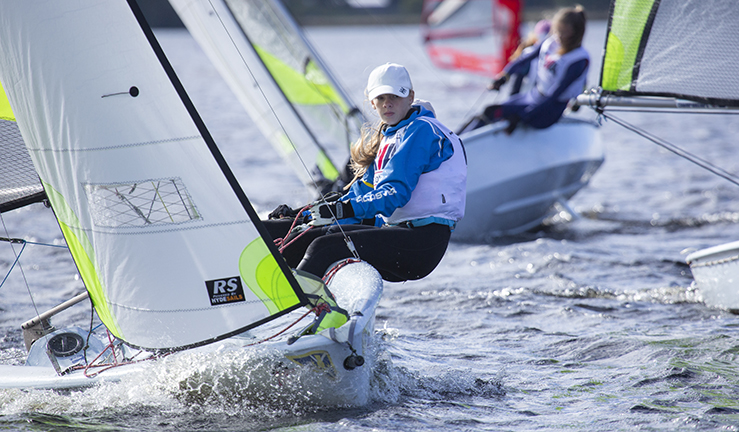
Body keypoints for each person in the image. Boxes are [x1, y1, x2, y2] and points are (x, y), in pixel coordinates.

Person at [265, 62, 467, 283]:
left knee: (324, 247)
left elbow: (393, 195)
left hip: (422, 243)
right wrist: (300, 214)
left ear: (410, 97)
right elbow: (358, 196)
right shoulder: (391, 135)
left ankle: (301, 308)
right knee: (290, 233)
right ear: (372, 102)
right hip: (398, 233)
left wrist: (342, 209)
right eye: (380, 98)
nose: (387, 104)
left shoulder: (421, 131)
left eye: (395, 97)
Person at [468, 6, 589, 134]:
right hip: (533, 96)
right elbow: (522, 60)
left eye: (564, 32)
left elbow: (555, 95)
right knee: (490, 111)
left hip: (550, 110)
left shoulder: (578, 60)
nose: (558, 36)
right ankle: (455, 143)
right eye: (557, 30)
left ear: (575, 33)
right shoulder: (550, 43)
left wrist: (522, 116)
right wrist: (503, 78)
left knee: (505, 116)